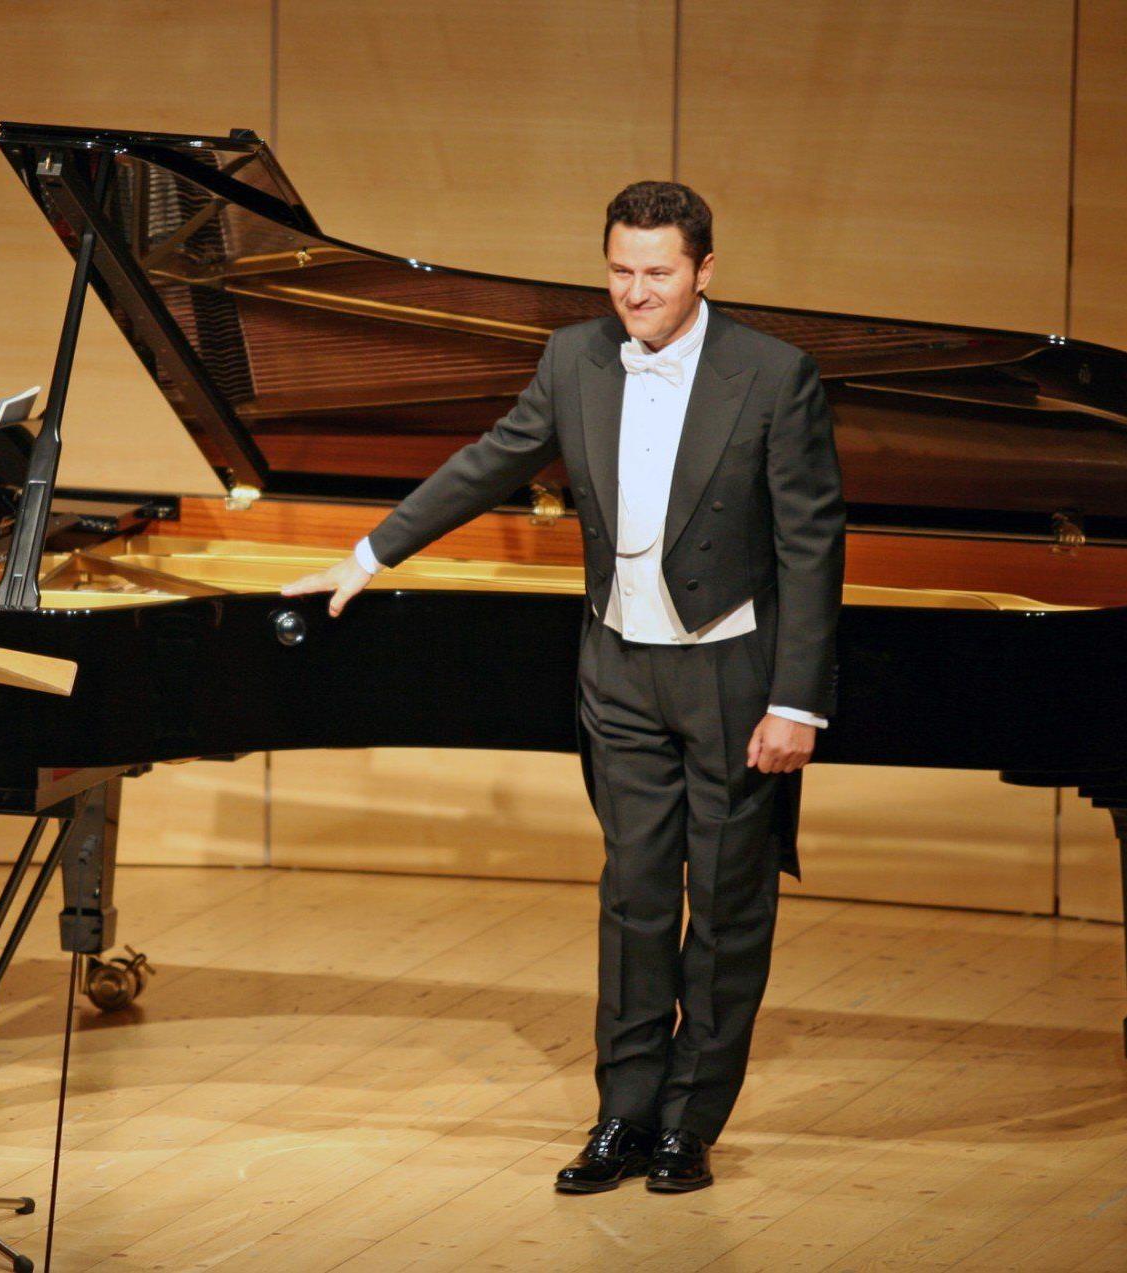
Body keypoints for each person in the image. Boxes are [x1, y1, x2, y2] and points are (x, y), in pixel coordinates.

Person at [282, 182, 845, 1192]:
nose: (636, 292)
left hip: (729, 670)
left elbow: (810, 545)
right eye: (620, 271)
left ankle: (688, 1122)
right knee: (630, 896)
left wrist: (794, 701)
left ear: (703, 271)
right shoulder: (574, 356)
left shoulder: (772, 375)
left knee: (722, 901)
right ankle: (621, 1114)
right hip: (617, 668)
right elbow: (489, 462)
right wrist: (365, 556)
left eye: (658, 273)